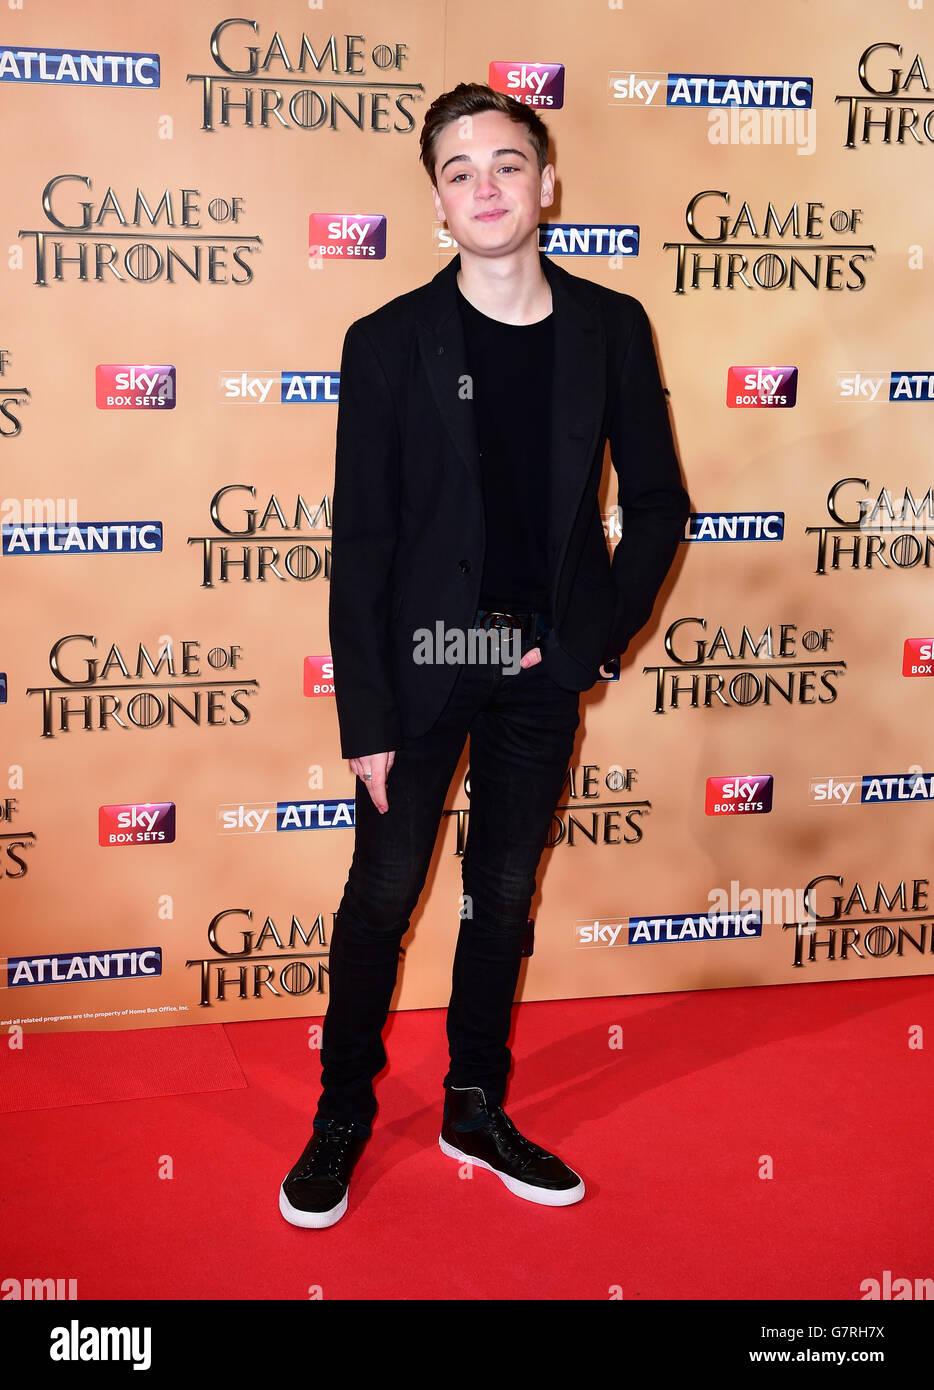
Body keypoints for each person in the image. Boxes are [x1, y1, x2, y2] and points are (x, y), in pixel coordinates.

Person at [279, 82, 689, 1228]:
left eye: (506, 164)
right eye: (458, 172)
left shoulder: (610, 326)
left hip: (540, 673)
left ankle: (473, 1103)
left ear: (546, 183)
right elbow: (362, 542)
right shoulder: (385, 342)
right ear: (436, 203)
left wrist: (591, 645)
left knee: (502, 895)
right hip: (419, 667)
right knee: (382, 894)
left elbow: (659, 502)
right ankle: (341, 1113)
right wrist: (365, 717)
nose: (485, 188)